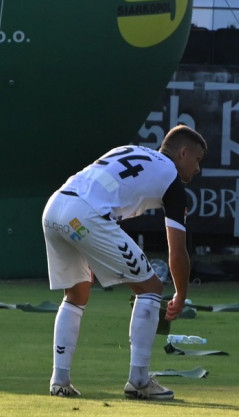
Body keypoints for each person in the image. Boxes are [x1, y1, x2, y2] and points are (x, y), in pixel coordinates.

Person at [41, 125, 206, 400]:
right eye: (197, 160)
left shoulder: (129, 150)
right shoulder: (173, 184)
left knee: (77, 292)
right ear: (183, 153)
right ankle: (139, 381)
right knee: (151, 287)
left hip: (55, 208)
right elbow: (177, 253)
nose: (198, 168)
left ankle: (59, 380)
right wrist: (181, 294)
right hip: (84, 215)